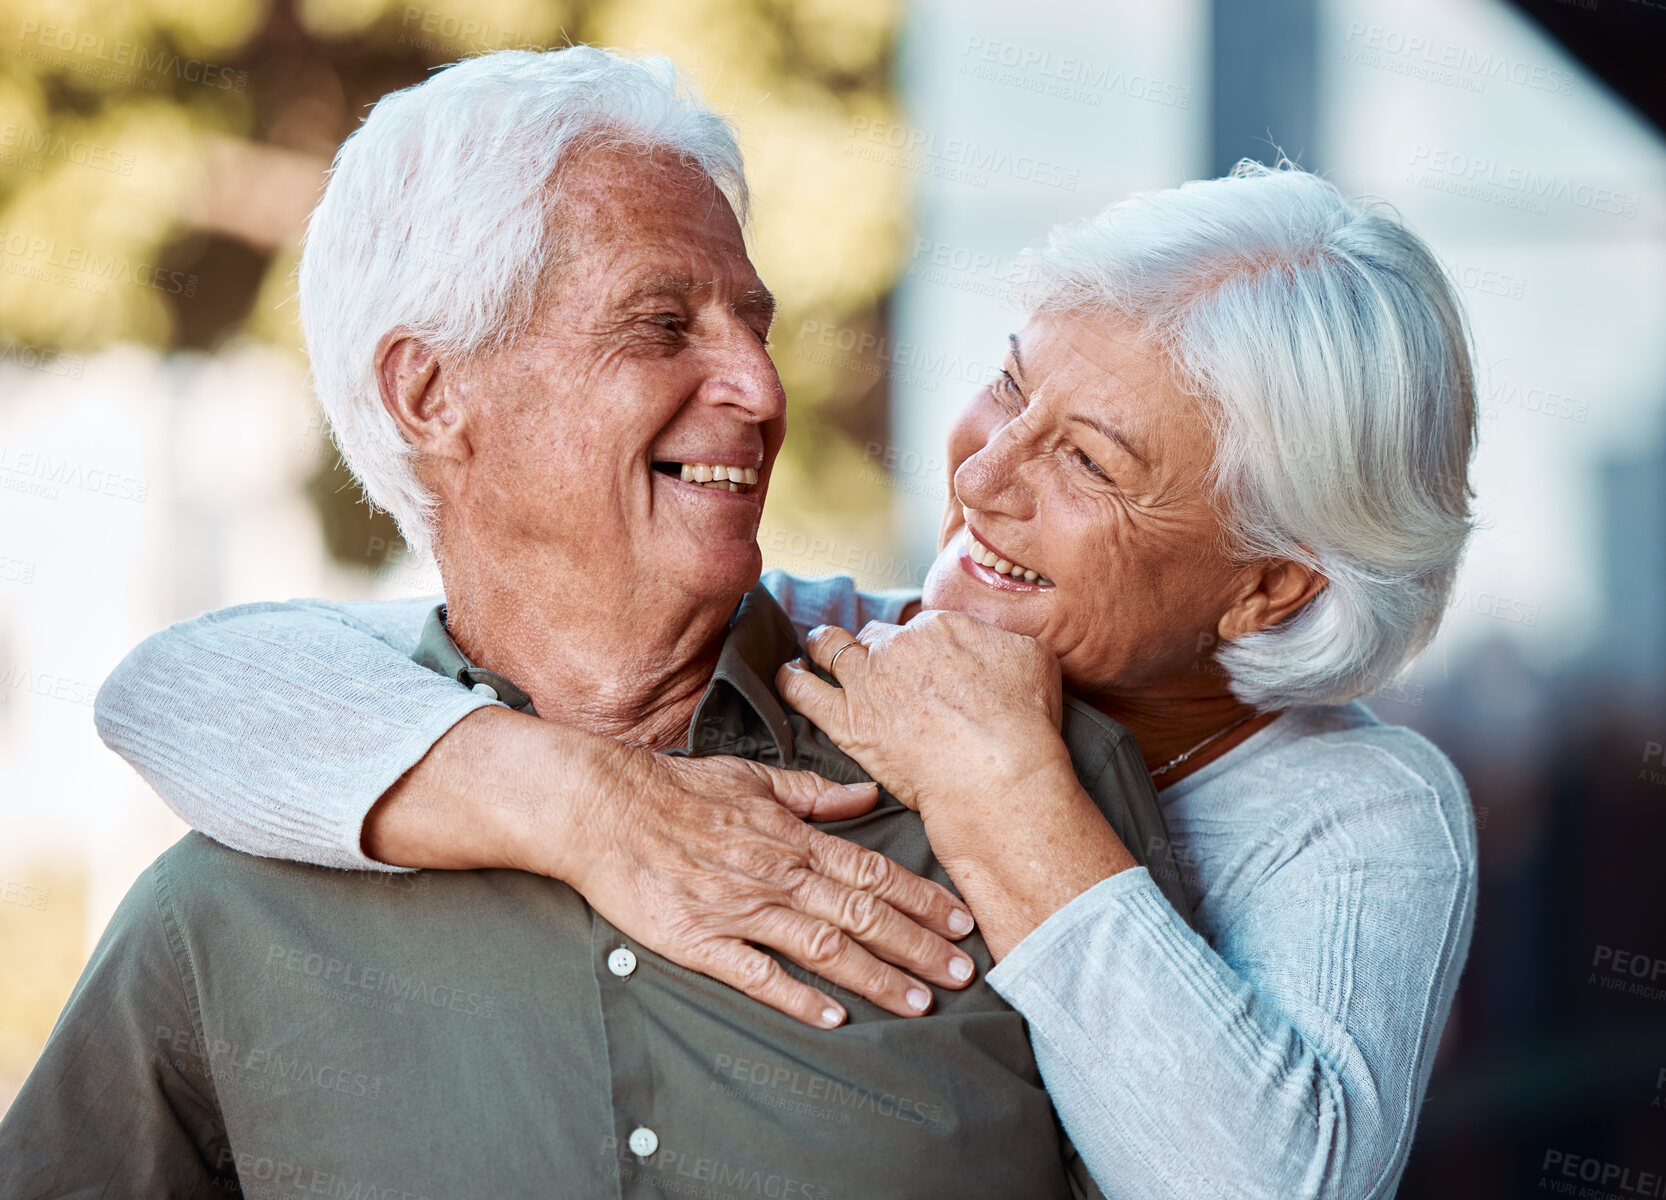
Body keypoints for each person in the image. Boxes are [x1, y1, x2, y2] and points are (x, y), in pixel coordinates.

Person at [86, 57, 1476, 1200]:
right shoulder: (859, 659)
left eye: (1092, 465)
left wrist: (1001, 787)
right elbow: (176, 687)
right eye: (1007, 387)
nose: (980, 476)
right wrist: (589, 803)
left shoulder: (1331, 806)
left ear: (1269, 589)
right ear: (430, 396)